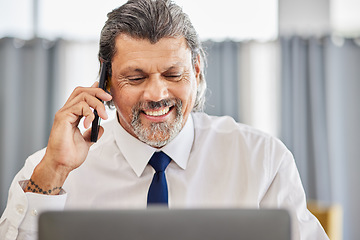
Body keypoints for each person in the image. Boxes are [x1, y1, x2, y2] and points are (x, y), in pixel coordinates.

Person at [0, 0, 328, 239]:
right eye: (136, 77)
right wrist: (54, 172)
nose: (157, 94)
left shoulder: (263, 159)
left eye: (173, 74)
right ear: (106, 78)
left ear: (197, 70)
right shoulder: (47, 171)